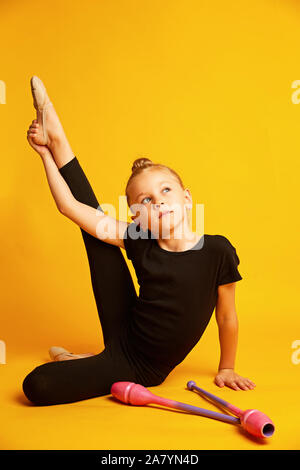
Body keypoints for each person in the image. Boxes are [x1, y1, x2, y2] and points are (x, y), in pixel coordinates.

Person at [22, 77, 255, 406]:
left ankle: (79, 362)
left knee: (36, 385)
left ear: (186, 198)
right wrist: (45, 155)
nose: (156, 202)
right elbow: (70, 207)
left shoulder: (217, 251)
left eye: (165, 191)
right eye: (144, 200)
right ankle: (57, 140)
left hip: (140, 367)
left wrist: (227, 367)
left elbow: (227, 316)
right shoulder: (140, 240)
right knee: (95, 232)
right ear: (135, 217)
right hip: (125, 328)